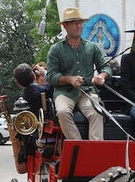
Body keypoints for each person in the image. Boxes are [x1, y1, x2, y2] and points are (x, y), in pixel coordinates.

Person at [46, 7, 111, 140]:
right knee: (63, 112)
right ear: (65, 26)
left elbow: (106, 67)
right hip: (64, 93)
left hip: (87, 91)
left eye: (80, 22)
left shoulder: (92, 47)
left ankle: (95, 151)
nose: (79, 25)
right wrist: (69, 79)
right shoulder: (55, 49)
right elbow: (50, 76)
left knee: (97, 112)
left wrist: (101, 76)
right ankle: (79, 147)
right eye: (74, 22)